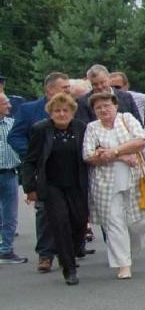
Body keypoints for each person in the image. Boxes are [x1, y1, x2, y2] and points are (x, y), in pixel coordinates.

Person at [19, 94, 89, 285]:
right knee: (60, 223)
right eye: (57, 111)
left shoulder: (81, 128)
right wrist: (29, 187)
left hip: (76, 184)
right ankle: (69, 268)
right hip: (52, 185)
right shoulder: (41, 130)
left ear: (72, 112)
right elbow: (30, 161)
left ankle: (70, 252)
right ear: (50, 113)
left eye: (65, 110)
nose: (61, 114)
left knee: (80, 222)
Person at [82, 90, 145, 279]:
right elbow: (88, 155)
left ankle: (130, 252)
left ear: (115, 105)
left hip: (134, 179)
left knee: (138, 223)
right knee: (114, 222)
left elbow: (141, 141)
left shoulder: (126, 119)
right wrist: (121, 156)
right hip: (105, 183)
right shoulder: (92, 128)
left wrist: (112, 152)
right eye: (98, 107)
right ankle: (123, 264)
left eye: (107, 106)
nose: (103, 110)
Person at [8, 72, 71, 270]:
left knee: (70, 211)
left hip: (67, 168)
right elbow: (15, 137)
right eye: (64, 88)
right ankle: (45, 254)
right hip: (42, 170)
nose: (68, 91)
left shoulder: (72, 108)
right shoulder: (29, 110)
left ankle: (69, 252)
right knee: (44, 211)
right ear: (50, 89)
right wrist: (33, 154)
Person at [108, 71, 145, 248]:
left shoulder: (137, 99)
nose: (114, 89)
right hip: (114, 158)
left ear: (126, 86)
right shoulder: (102, 101)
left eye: (117, 86)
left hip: (138, 151)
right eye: (111, 86)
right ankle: (118, 240)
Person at [0, 94, 25, 264]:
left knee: (10, 215)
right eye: (5, 103)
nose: (9, 106)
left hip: (9, 173)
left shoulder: (12, 125)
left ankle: (6, 250)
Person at [74, 64, 138, 125]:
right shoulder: (83, 102)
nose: (99, 87)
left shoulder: (126, 97)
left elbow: (137, 121)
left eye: (102, 82)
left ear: (109, 79)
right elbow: (83, 127)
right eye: (95, 84)